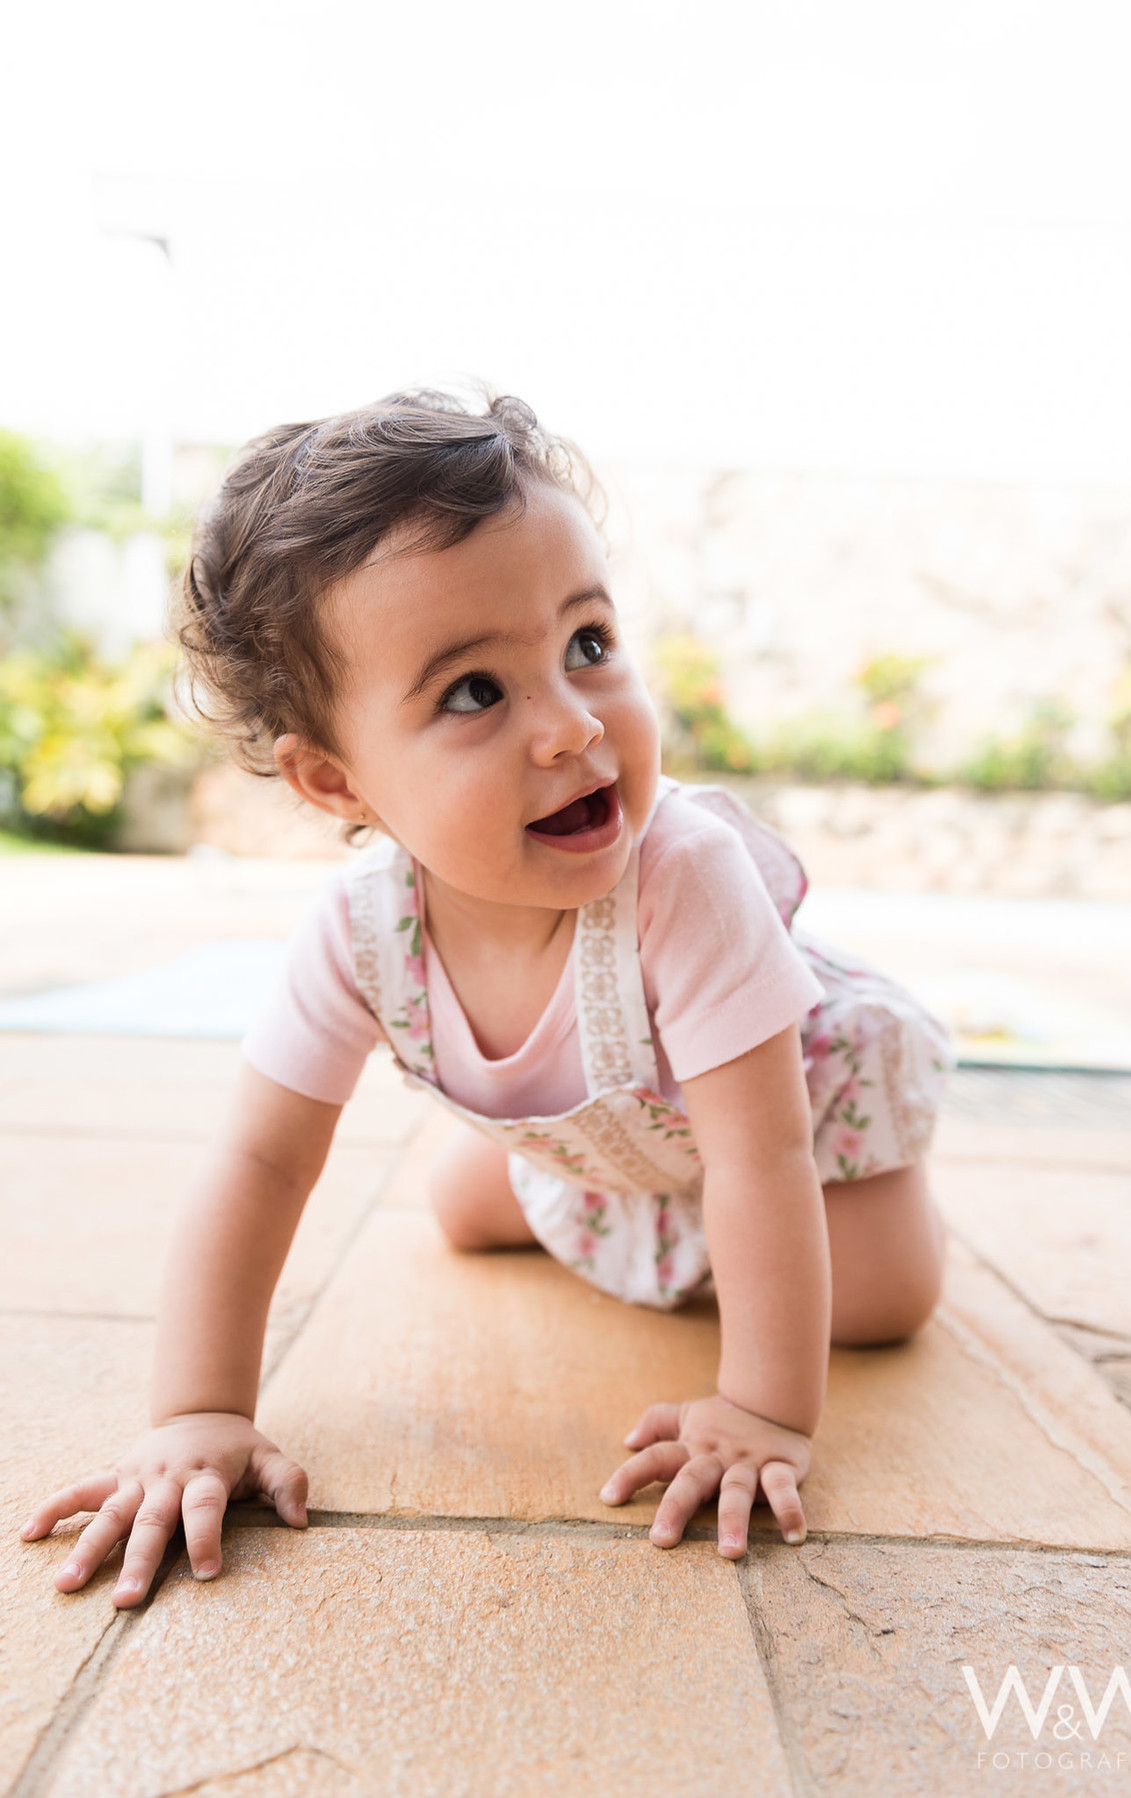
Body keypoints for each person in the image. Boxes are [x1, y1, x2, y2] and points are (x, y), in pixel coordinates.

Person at [19, 389, 953, 1607]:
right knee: (466, 1205)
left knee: (884, 1298)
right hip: (627, 1142)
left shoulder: (687, 876)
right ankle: (625, 1213)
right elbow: (257, 1164)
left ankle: (688, 1229)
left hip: (792, 1118)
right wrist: (198, 1411)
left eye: (587, 645)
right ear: (333, 777)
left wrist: (760, 1408)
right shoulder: (360, 934)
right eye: (474, 693)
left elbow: (763, 1153)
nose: (572, 727)